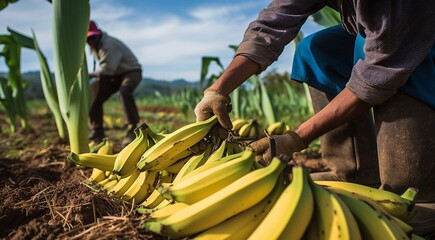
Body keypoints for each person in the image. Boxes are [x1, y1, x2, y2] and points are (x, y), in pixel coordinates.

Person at [194, 0, 435, 234]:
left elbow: (381, 70)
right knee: (315, 50)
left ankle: (418, 195)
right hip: (387, 32)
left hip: (416, 31)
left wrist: (296, 138)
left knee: (399, 59)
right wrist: (217, 91)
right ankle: (353, 173)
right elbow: (271, 25)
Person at [86, 20, 143, 147]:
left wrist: (91, 74)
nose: (91, 41)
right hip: (114, 75)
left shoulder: (108, 45)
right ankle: (97, 130)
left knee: (124, 91)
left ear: (99, 34)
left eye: (93, 37)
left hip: (131, 72)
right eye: (88, 39)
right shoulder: (96, 46)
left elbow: (108, 68)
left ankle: (132, 129)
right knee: (94, 95)